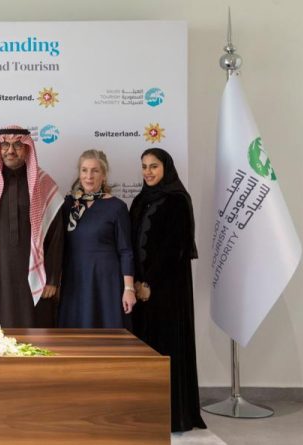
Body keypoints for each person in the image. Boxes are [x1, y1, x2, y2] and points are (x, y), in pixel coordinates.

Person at [130, 148, 206, 432]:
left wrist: (150, 283)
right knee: (146, 350)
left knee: (167, 348)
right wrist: (137, 283)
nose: (148, 172)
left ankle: (173, 415)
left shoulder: (178, 201)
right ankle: (147, 412)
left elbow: (175, 248)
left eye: (154, 166)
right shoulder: (139, 200)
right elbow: (133, 245)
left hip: (168, 291)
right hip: (141, 291)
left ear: (166, 168)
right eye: (144, 166)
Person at [0, 126, 64, 328]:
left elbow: (56, 237)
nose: (10, 151)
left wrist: (52, 279)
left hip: (36, 278)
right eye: (5, 145)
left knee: (37, 333)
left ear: (27, 148)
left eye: (17, 145)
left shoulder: (43, 185)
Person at [57, 149, 136, 328]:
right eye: (84, 170)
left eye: (95, 170)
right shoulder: (69, 204)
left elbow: (126, 251)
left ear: (104, 175)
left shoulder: (117, 207)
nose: (89, 176)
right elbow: (58, 245)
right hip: (75, 280)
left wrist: (128, 289)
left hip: (106, 282)